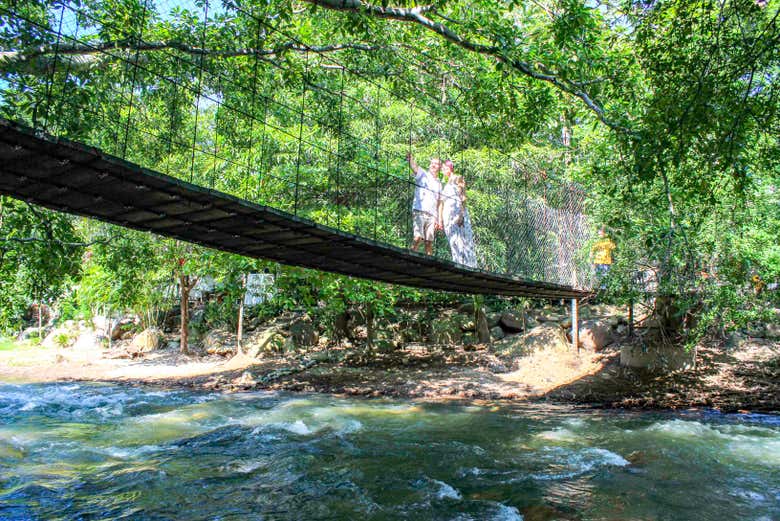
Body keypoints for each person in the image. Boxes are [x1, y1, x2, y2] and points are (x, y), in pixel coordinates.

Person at [439, 159, 477, 267]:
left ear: (450, 168)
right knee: (453, 242)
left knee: (463, 241)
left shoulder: (458, 178)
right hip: (448, 216)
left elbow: (463, 197)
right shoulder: (445, 184)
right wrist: (440, 220)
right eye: (442, 169)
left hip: (457, 213)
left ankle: (468, 267)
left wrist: (461, 214)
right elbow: (442, 202)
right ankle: (458, 264)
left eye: (445, 168)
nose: (443, 170)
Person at [406, 153, 442, 255]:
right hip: (419, 210)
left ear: (439, 167)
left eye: (436, 164)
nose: (434, 165)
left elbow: (439, 202)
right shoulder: (422, 174)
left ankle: (429, 263)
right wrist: (410, 159)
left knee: (429, 242)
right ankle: (410, 256)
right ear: (430, 165)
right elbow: (414, 167)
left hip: (432, 215)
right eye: (432, 163)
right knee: (418, 238)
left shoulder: (439, 183)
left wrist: (439, 220)